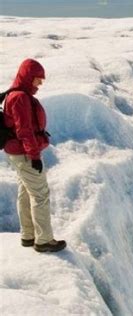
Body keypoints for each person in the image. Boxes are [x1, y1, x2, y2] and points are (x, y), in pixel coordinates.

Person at [3, 58, 66, 252]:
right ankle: (44, 240)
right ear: (28, 77)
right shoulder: (20, 98)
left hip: (18, 153)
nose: (40, 83)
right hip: (25, 154)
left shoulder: (16, 95)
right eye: (38, 79)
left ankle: (28, 236)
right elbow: (24, 131)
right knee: (40, 194)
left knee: (26, 192)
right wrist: (35, 156)